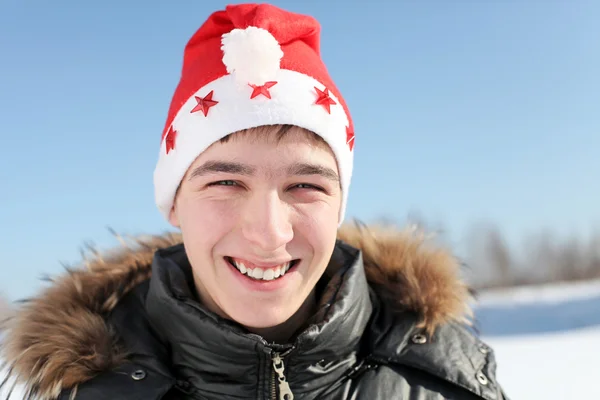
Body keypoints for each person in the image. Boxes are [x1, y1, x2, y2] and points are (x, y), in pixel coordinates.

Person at [1, 4, 508, 399]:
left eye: (305, 186)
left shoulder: (447, 377)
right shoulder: (79, 392)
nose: (269, 233)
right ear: (174, 203)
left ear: (339, 206)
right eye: (225, 183)